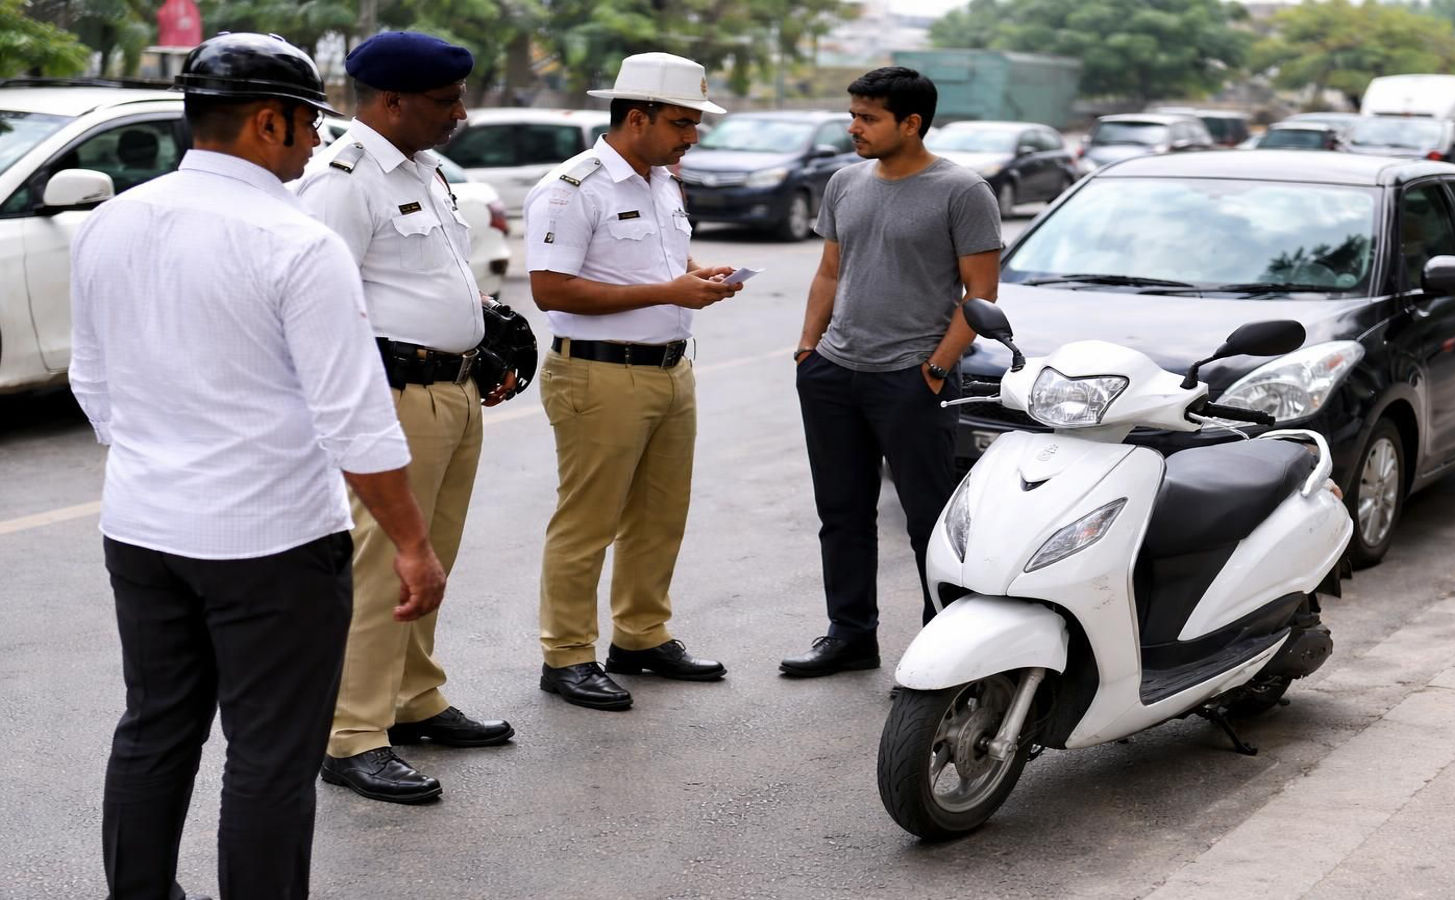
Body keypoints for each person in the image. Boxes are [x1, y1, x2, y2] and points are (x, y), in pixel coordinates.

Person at [71, 32, 445, 899]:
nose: (318, 142)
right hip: (272, 544)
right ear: (269, 121)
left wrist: (165, 457)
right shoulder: (295, 241)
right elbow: (354, 421)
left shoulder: (112, 221)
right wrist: (414, 548)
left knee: (154, 729)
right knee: (272, 755)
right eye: (311, 123)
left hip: (142, 528)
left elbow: (93, 382)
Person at [296, 31, 514, 804]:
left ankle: (414, 698)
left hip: (450, 391)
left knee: (435, 554)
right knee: (388, 563)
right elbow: (320, 306)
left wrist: (482, 324)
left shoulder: (421, 169)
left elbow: (424, 280)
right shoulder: (342, 179)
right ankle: (351, 733)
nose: (459, 112)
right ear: (390, 101)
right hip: (391, 397)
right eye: (444, 100)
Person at [524, 52, 741, 711]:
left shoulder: (660, 182)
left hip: (669, 369)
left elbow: (664, 258)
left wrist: (696, 277)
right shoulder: (573, 187)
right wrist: (666, 290)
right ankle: (565, 656)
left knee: (659, 516)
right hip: (598, 373)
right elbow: (549, 288)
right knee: (588, 522)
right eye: (682, 122)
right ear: (636, 117)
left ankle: (642, 636)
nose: (691, 136)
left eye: (696, 124)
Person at [779, 66, 1003, 678]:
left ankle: (947, 648)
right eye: (853, 114)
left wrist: (934, 368)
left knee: (929, 521)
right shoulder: (846, 182)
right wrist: (808, 349)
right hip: (835, 373)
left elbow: (981, 295)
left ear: (911, 123)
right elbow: (830, 270)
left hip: (911, 377)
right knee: (842, 514)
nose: (855, 127)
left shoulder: (962, 191)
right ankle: (850, 636)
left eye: (868, 118)